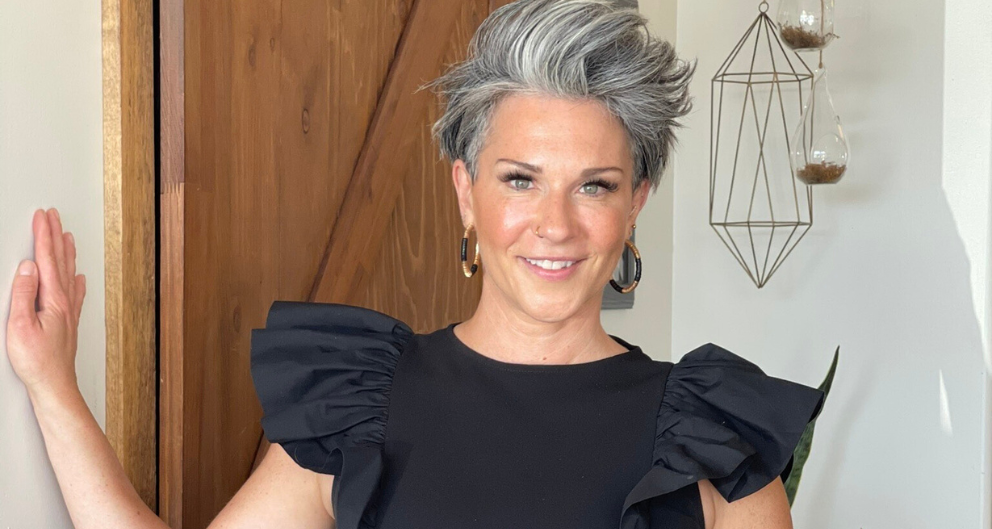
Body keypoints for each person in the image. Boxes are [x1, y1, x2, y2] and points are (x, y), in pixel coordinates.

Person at [5, 0, 824, 528]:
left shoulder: (713, 437)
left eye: (595, 185)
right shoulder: (360, 403)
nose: (556, 224)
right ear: (465, 191)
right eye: (519, 179)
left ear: (635, 200)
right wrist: (51, 386)